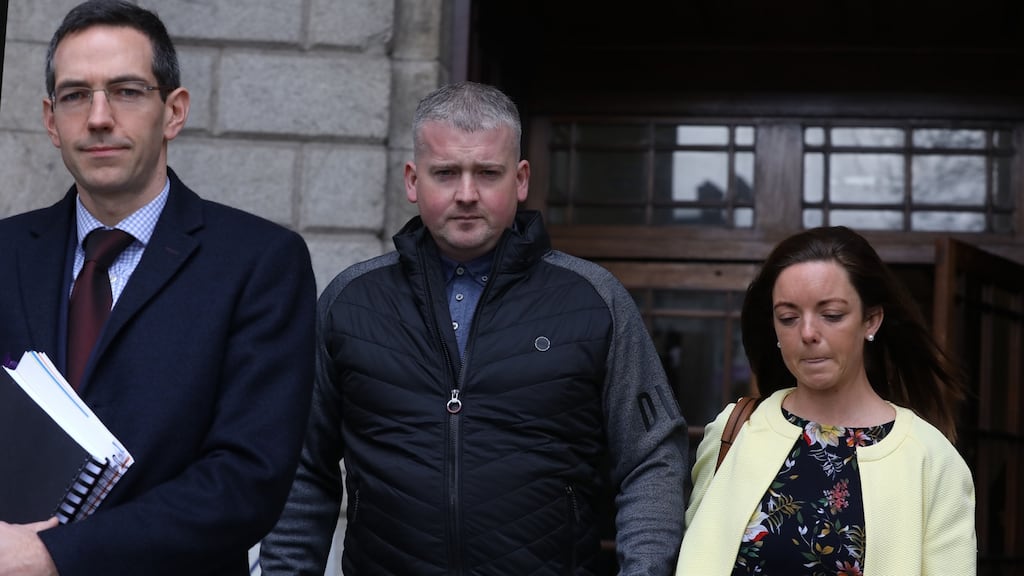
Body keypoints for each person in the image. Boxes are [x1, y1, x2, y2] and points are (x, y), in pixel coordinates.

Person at [259, 81, 688, 575]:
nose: (466, 194)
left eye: (487, 173)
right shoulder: (350, 302)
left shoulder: (594, 299)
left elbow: (651, 458)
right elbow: (302, 468)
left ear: (521, 179)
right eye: (446, 173)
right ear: (413, 180)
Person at [0, 1, 316, 574]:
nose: (98, 117)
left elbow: (246, 482)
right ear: (50, 121)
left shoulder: (259, 263)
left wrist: (54, 556)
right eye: (75, 95)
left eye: (125, 91)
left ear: (173, 111)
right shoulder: (4, 253)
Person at [676, 226, 977, 575]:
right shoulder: (734, 430)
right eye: (788, 318)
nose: (807, 333)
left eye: (831, 314)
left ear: (871, 320)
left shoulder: (932, 459)